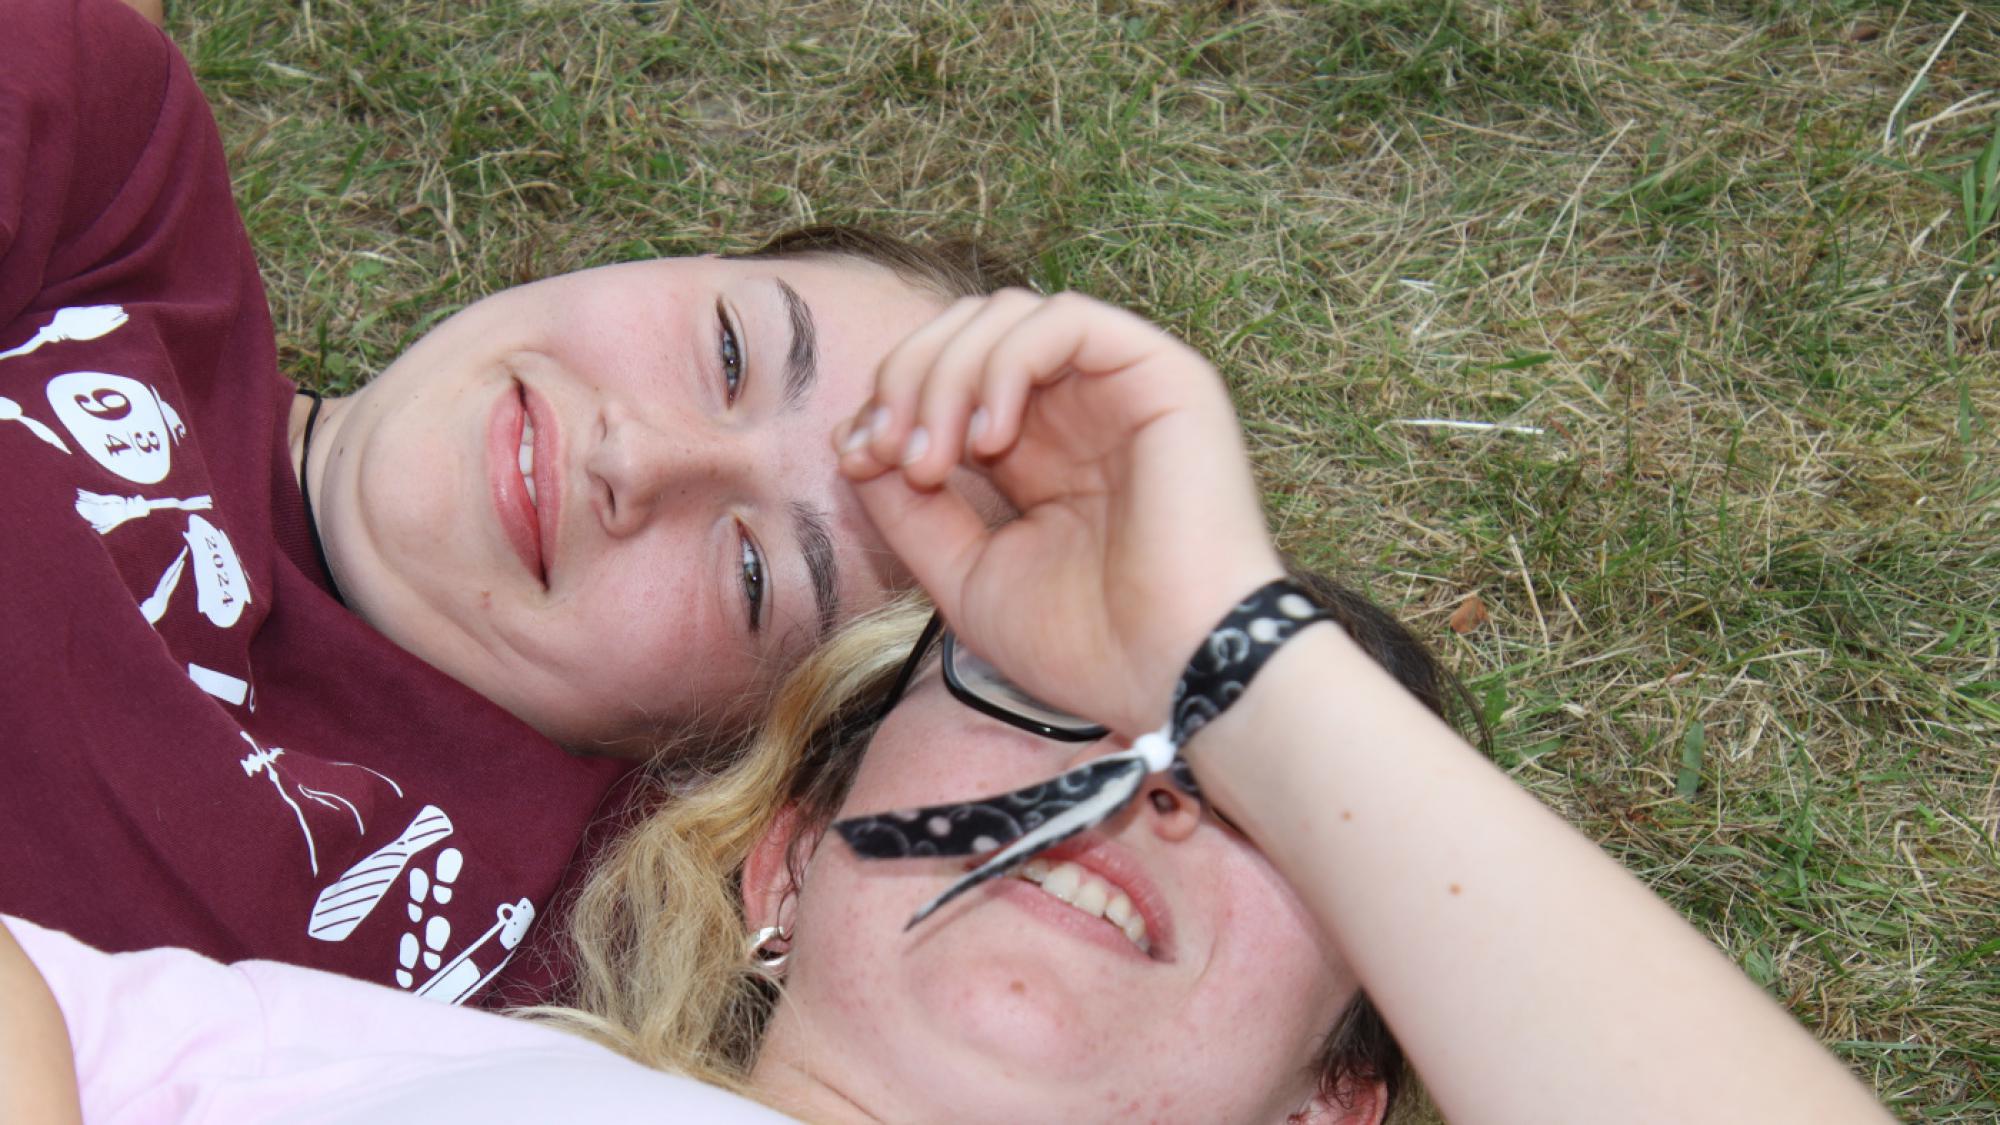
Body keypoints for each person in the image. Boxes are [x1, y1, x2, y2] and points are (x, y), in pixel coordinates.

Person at [2, 290, 1895, 1124]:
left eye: (1253, 792)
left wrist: (1232, 646)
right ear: (783, 867)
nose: (1145, 786)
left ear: (1326, 1108)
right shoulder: (330, 1050)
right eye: (1051, 700)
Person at [0, 0, 1009, 1000]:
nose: (636, 457)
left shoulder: (574, 957)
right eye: (732, 352)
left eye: (753, 574)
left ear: (735, 755)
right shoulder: (121, 185)